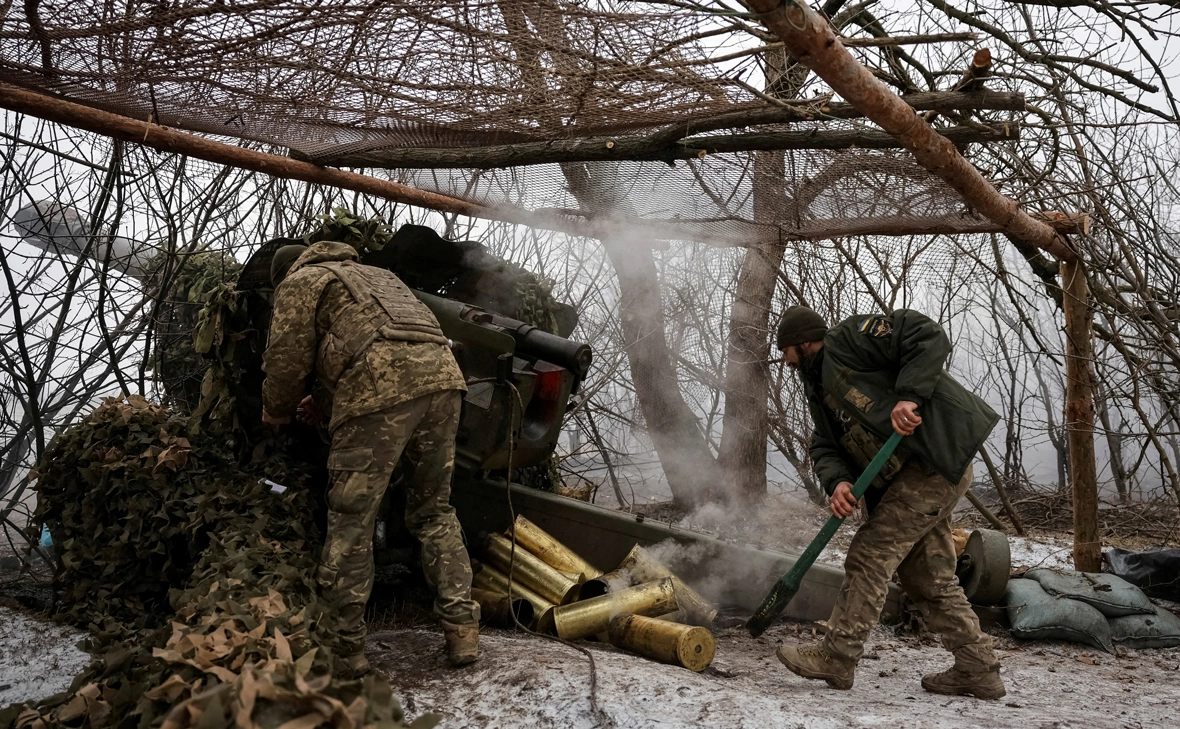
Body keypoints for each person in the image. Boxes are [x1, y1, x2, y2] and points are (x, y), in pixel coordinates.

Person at [261, 240, 481, 676]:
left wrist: (276, 410)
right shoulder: (380, 278)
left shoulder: (301, 281)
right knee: (434, 511)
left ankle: (345, 649)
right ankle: (462, 632)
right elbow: (375, 340)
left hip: (380, 390)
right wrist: (325, 400)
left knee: (351, 519)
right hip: (444, 384)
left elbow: (287, 359)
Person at [773, 305, 1005, 700]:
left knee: (871, 550)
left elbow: (923, 332)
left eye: (786, 351)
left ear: (804, 341)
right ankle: (978, 667)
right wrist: (839, 481)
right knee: (925, 575)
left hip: (932, 460)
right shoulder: (817, 387)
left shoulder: (849, 337)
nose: (785, 360)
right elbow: (824, 443)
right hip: (906, 478)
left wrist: (909, 396)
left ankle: (837, 654)